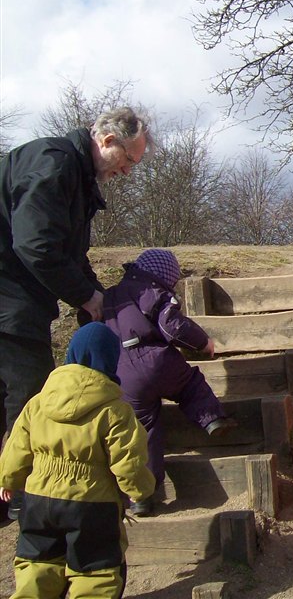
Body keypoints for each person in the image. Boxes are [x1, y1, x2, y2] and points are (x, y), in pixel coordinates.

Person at [0, 107, 149, 520]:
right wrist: (84, 296)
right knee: (31, 393)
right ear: (107, 141)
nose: (127, 171)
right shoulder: (54, 164)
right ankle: (30, 502)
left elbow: (69, 253)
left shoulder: (74, 176)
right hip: (8, 300)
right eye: (128, 160)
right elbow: (36, 246)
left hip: (16, 298)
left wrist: (98, 296)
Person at [0, 322, 155, 599]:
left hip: (38, 499)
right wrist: (138, 489)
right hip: (92, 502)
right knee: (94, 570)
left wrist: (8, 479)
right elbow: (128, 459)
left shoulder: (38, 402)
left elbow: (17, 445)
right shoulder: (115, 410)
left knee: (38, 562)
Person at [103, 248, 233, 516]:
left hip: (123, 372)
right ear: (164, 276)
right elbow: (172, 326)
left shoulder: (111, 295)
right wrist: (203, 343)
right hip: (157, 360)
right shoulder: (152, 292)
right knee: (190, 385)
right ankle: (212, 419)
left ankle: (142, 495)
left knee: (143, 431)